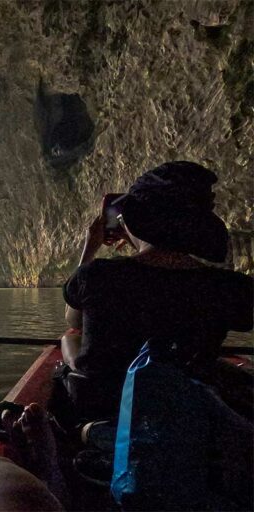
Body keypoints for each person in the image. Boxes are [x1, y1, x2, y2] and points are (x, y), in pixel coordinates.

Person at [60, 161, 253, 419]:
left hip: (108, 412)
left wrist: (92, 247)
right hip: (187, 417)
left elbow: (74, 320)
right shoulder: (229, 287)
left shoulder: (98, 276)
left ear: (138, 219)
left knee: (69, 337)